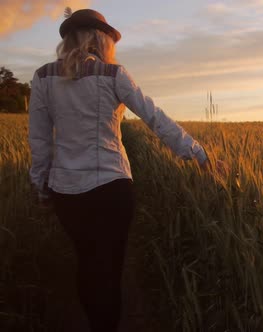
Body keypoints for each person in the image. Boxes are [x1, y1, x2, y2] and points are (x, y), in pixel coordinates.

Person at [28, 8, 216, 332]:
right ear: (102, 39)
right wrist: (197, 154)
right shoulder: (114, 74)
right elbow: (154, 117)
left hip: (67, 192)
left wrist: (41, 188)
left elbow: (40, 141)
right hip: (112, 188)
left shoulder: (43, 77)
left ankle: (93, 323)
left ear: (69, 38)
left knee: (87, 261)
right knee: (110, 268)